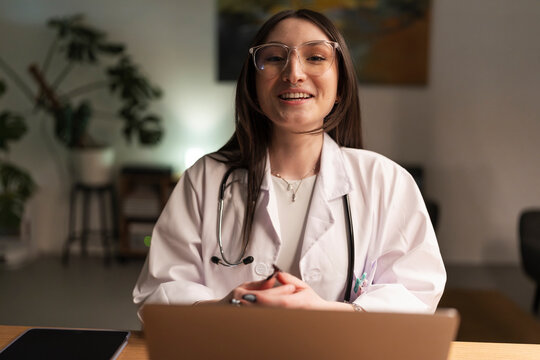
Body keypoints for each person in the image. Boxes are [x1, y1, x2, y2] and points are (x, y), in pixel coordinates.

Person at [133, 9, 446, 314]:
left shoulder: (385, 181)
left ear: (340, 86)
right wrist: (223, 309)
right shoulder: (205, 179)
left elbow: (416, 294)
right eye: (274, 58)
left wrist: (327, 312)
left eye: (315, 57)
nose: (294, 73)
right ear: (253, 85)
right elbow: (159, 291)